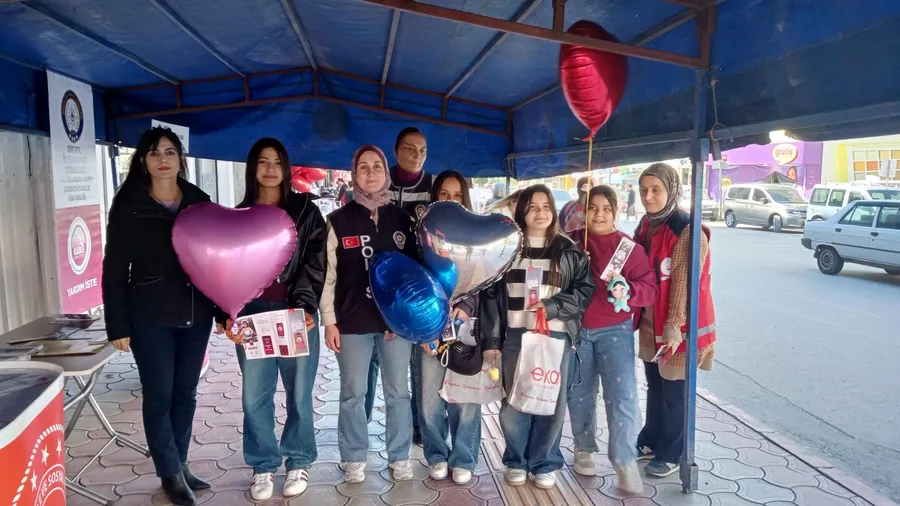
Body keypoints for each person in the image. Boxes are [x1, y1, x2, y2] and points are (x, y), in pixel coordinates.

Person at [101, 127, 217, 506]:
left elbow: (213, 260)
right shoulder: (129, 203)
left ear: (181, 158)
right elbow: (114, 267)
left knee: (186, 392)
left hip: (195, 312)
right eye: (154, 153)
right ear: (143, 161)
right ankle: (169, 473)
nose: (162, 159)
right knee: (159, 394)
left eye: (169, 152)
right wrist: (117, 323)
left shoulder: (199, 201)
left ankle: (179, 463)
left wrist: (222, 311)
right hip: (149, 315)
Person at [215, 138, 325, 500]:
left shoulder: (306, 211)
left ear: (287, 168)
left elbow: (315, 263)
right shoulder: (238, 216)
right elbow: (223, 269)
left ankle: (299, 460)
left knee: (300, 394)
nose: (270, 169)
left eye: (277, 162)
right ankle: (262, 465)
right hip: (252, 317)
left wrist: (306, 307)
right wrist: (226, 314)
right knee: (254, 396)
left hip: (295, 315)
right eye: (263, 161)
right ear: (253, 167)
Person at [480, 185, 594, 490]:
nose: (540, 213)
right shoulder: (507, 251)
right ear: (522, 212)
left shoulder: (569, 250)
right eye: (532, 207)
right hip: (516, 335)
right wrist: (492, 341)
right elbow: (490, 296)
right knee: (514, 402)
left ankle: (544, 462)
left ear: (554, 211)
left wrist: (553, 306)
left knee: (552, 402)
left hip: (556, 337)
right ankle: (516, 460)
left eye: (546, 206)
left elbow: (584, 290)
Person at [321, 145, 419, 483]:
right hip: (351, 322)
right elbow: (328, 275)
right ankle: (353, 457)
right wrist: (329, 320)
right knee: (352, 393)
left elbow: (415, 276)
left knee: (398, 393)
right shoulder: (338, 221)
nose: (371, 172)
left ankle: (399, 456)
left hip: (395, 324)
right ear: (354, 174)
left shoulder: (403, 220)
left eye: (377, 166)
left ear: (386, 172)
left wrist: (407, 319)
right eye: (363, 167)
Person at [566, 186, 658, 493]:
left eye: (606, 208)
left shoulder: (628, 248)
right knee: (579, 393)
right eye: (593, 208)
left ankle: (624, 461)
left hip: (615, 331)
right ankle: (583, 448)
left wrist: (628, 290)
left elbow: (650, 289)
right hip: (577, 329)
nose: (599, 214)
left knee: (622, 396)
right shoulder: (572, 242)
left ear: (615, 211)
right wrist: (573, 263)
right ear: (584, 211)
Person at [633, 163, 716, 478]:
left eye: (656, 189)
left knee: (674, 392)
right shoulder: (646, 224)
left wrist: (673, 326)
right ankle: (652, 439)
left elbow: (683, 283)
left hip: (680, 327)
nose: (649, 196)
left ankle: (672, 452)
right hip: (651, 322)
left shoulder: (687, 229)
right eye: (644, 190)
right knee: (655, 385)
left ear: (672, 190)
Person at [417, 170, 484, 485]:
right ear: (435, 197)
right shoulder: (422, 234)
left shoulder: (476, 236)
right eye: (444, 194)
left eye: (457, 195)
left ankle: (464, 457)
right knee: (430, 397)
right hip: (429, 326)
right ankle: (436, 455)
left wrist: (466, 306)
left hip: (465, 326)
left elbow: (484, 278)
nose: (451, 201)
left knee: (465, 397)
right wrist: (422, 322)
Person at [386, 126, 433, 445]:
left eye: (423, 150)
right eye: (410, 148)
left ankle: (418, 425)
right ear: (396, 150)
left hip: (421, 288)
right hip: (382, 284)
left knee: (420, 361)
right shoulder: (381, 180)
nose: (417, 155)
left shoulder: (432, 185)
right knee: (378, 361)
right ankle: (364, 419)